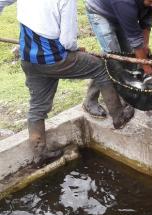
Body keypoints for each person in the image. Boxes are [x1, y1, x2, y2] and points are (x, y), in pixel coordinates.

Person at [2, 0, 135, 167]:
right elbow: (67, 41)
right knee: (101, 66)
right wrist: (75, 49)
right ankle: (118, 117)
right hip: (55, 59)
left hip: (29, 59)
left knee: (37, 107)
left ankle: (40, 155)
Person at [84, 0, 152, 117]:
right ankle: (90, 100)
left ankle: (125, 94)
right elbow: (135, 39)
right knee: (112, 58)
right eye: (151, 1)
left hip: (120, 13)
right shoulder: (125, 3)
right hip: (100, 12)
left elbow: (146, 21)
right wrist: (146, 67)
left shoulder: (150, 1)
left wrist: (145, 45)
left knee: (129, 55)